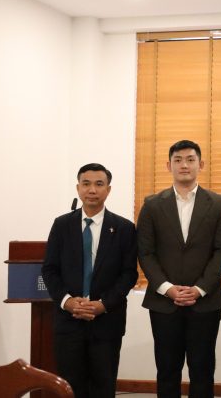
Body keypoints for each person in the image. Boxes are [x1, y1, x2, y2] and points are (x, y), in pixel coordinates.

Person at [137, 140, 221, 398]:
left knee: (203, 370)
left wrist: (200, 288)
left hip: (205, 301)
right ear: (168, 166)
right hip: (164, 303)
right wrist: (167, 288)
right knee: (167, 370)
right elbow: (145, 252)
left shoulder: (219, 203)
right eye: (178, 160)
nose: (184, 165)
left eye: (190, 159)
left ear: (201, 165)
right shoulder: (152, 204)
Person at [41, 163, 137, 398]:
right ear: (78, 188)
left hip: (106, 322)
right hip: (68, 321)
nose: (92, 190)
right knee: (70, 388)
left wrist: (103, 304)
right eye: (86, 184)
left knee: (103, 386)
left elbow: (129, 274)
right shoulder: (61, 225)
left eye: (99, 184)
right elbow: (50, 269)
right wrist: (67, 301)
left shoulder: (124, 228)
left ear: (108, 190)